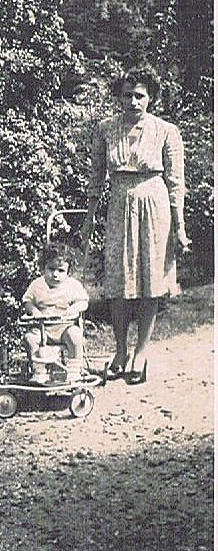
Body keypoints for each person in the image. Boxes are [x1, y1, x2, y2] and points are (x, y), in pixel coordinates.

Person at [81, 65, 190, 384]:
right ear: (119, 96)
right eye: (126, 95)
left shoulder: (166, 131)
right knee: (118, 281)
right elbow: (96, 177)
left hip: (155, 206)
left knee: (149, 281)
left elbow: (176, 182)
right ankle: (119, 351)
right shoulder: (105, 128)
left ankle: (140, 352)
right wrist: (88, 221)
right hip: (119, 205)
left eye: (139, 96)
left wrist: (180, 227)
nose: (132, 101)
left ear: (151, 98)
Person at [22, 243, 89, 383]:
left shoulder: (72, 285)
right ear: (43, 268)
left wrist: (73, 308)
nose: (55, 275)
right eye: (51, 269)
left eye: (61, 270)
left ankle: (74, 370)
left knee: (75, 334)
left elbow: (83, 301)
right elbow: (27, 301)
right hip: (43, 329)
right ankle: (39, 371)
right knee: (30, 338)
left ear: (68, 272)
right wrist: (34, 311)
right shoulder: (37, 285)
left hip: (64, 327)